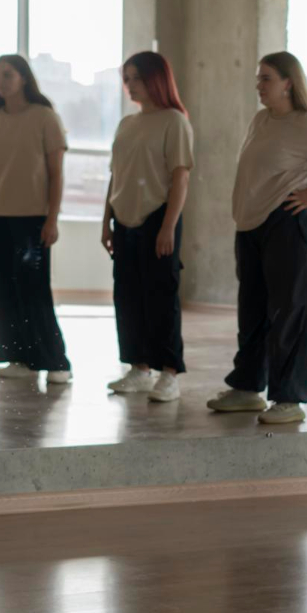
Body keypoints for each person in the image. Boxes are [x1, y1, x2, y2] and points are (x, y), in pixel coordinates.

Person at [207, 52, 307, 425]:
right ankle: (248, 388)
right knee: (253, 310)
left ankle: (289, 399)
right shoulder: (261, 119)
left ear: (288, 83)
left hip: (290, 223)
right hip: (252, 225)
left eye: (266, 78)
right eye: (258, 78)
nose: (259, 85)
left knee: (292, 311)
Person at [0, 54, 72, 384]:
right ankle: (18, 359)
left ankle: (57, 362)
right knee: (1, 292)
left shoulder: (45, 117)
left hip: (33, 220)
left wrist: (51, 219)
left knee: (34, 291)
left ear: (24, 78)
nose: (1, 80)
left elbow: (56, 175)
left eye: (8, 74)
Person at [101, 51, 193, 404]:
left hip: (158, 218)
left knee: (160, 297)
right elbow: (115, 176)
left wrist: (168, 227)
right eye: (126, 79)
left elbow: (180, 177)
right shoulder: (127, 124)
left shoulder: (175, 121)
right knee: (126, 296)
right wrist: (105, 222)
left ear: (156, 78)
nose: (130, 85)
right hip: (123, 220)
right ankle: (139, 368)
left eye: (136, 78)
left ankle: (169, 373)